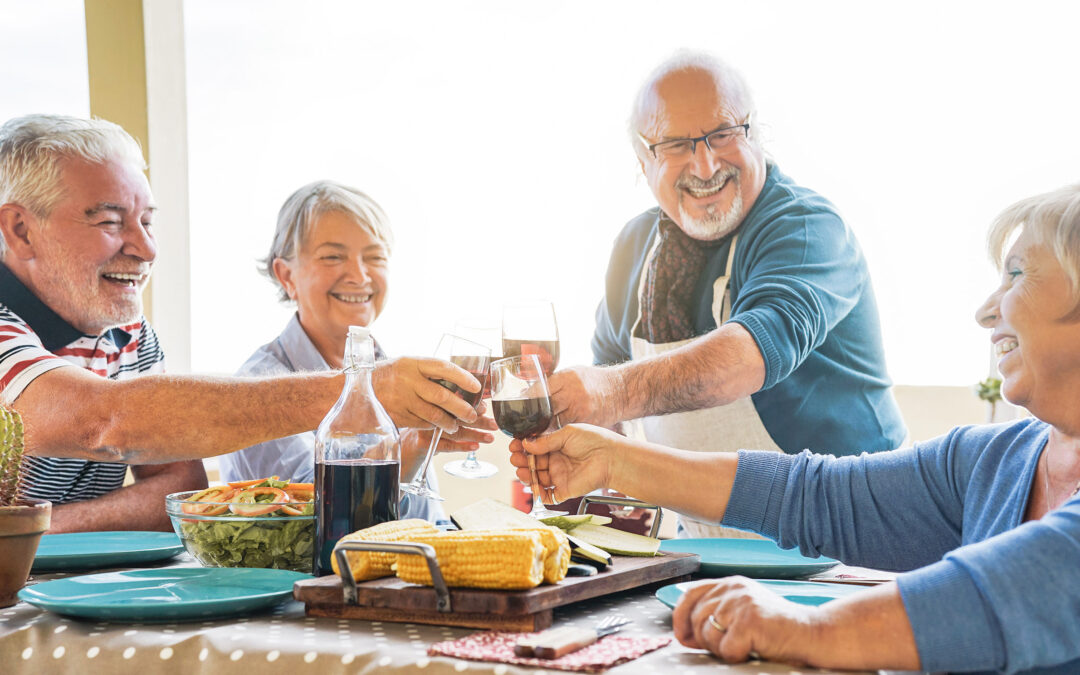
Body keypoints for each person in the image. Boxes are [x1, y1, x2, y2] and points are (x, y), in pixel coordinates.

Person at [513, 183, 1080, 673]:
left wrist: (805, 629)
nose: (986, 309)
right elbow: (817, 495)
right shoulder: (992, 460)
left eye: (1017, 274)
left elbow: (1019, 584)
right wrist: (614, 460)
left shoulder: (808, 228)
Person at [0, 114, 481, 524]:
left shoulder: (128, 334)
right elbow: (105, 422)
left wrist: (25, 540)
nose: (147, 248)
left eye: (147, 221)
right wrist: (364, 392)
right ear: (21, 230)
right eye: (109, 222)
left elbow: (174, 490)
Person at [547, 51, 905, 537]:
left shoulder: (805, 227)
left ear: (754, 133)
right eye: (676, 144)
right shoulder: (634, 247)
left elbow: (745, 358)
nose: (705, 163)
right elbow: (607, 414)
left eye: (722, 134)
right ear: (642, 159)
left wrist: (610, 391)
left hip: (847, 536)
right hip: (705, 547)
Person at [218, 181, 493, 521]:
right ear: (286, 275)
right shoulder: (258, 387)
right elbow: (308, 519)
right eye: (333, 257)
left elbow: (427, 521)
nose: (359, 275)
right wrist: (408, 449)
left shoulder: (392, 374)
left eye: (375, 257)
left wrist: (422, 442)